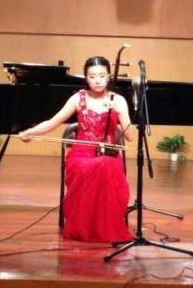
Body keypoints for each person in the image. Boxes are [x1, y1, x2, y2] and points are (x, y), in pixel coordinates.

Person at [19, 56, 134, 243]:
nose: (97, 80)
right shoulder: (78, 98)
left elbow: (130, 136)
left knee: (106, 165)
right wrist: (30, 132)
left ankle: (105, 227)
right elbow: (53, 122)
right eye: (92, 76)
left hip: (109, 153)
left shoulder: (118, 100)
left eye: (102, 76)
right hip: (81, 152)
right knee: (89, 167)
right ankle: (84, 228)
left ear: (109, 77)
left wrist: (119, 112)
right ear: (86, 78)